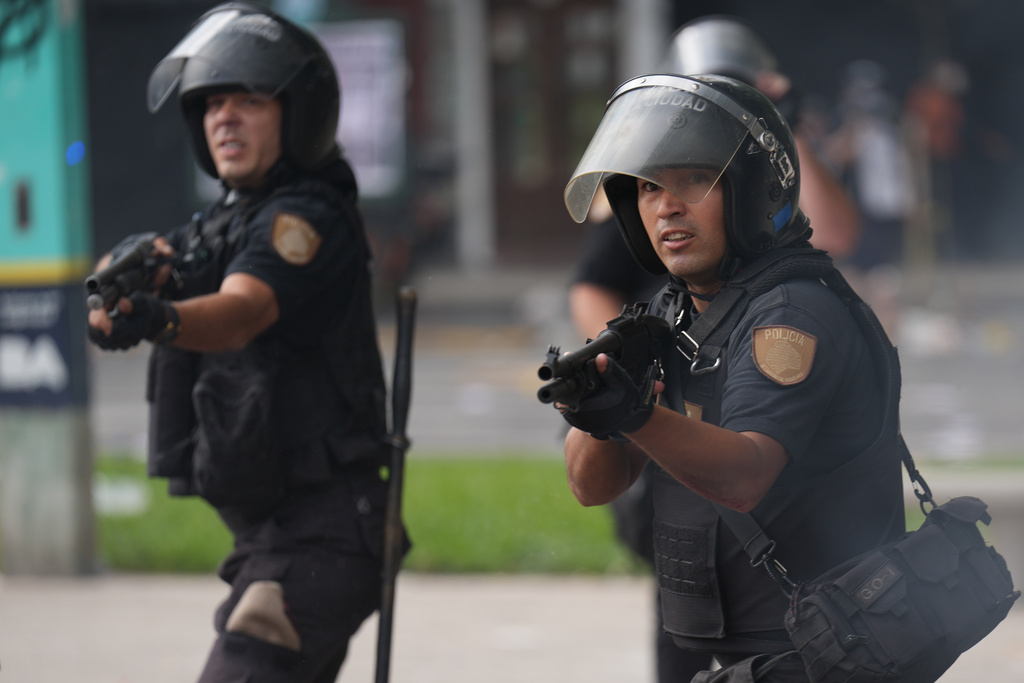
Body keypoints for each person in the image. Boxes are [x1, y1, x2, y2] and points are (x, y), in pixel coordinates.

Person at [86, 4, 405, 682]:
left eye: (250, 100)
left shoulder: (305, 218)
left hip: (322, 532)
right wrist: (124, 302)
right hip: (273, 534)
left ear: (298, 114)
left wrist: (158, 318)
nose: (224, 117)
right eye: (211, 104)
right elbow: (172, 291)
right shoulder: (222, 224)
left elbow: (240, 311)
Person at [557, 74, 907, 681]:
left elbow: (746, 474)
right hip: (754, 652)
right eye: (647, 186)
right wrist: (598, 414)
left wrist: (636, 415)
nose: (666, 204)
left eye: (694, 178)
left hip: (829, 654)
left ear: (751, 189)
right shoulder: (676, 310)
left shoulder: (792, 315)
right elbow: (593, 487)